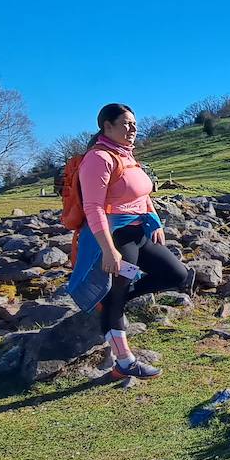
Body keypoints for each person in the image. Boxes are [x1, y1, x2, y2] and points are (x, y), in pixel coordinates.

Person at [64, 103, 192, 380]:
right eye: (126, 123)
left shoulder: (127, 156)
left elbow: (143, 194)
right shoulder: (98, 159)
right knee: (117, 298)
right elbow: (94, 207)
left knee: (176, 274)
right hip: (114, 237)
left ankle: (115, 298)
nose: (133, 129)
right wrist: (109, 251)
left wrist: (155, 220)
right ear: (107, 126)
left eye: (134, 124)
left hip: (138, 232)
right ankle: (124, 362)